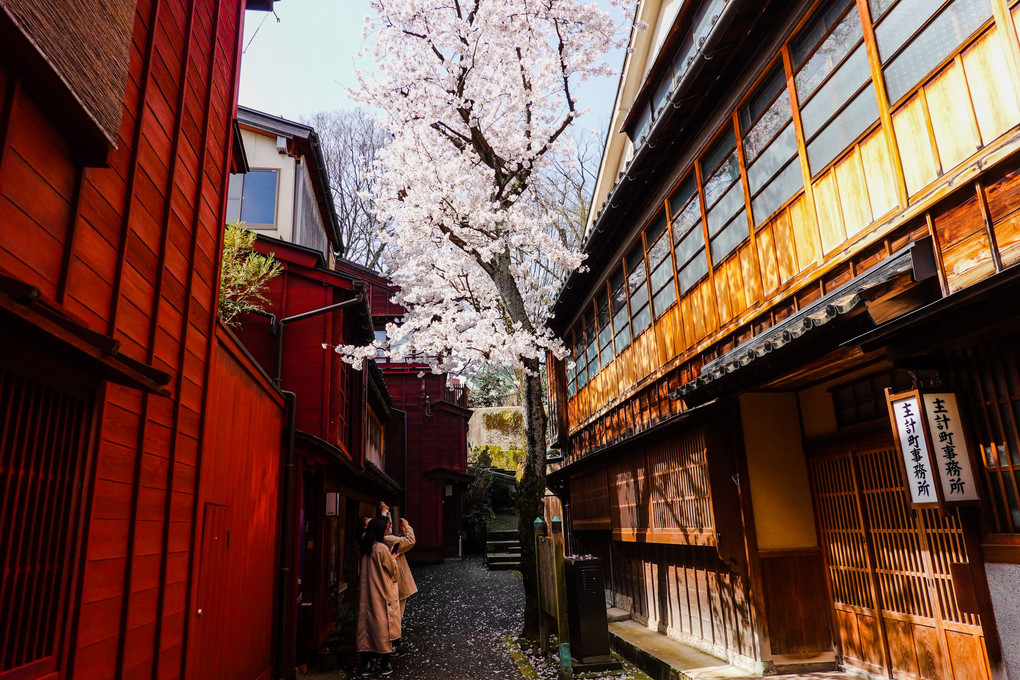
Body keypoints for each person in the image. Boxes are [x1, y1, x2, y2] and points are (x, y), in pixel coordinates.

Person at [356, 516, 400, 677]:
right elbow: (392, 571)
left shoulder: (365, 547)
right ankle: (384, 664)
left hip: (366, 594)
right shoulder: (381, 549)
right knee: (384, 628)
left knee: (366, 628)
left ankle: (366, 664)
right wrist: (394, 559)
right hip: (381, 593)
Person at [383, 516, 417, 656]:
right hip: (398, 583)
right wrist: (408, 527)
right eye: (389, 524)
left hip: (395, 583)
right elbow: (409, 542)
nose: (391, 527)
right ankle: (392, 647)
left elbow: (400, 544)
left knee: (395, 616)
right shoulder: (388, 540)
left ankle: (392, 646)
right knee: (396, 616)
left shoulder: (385, 541)